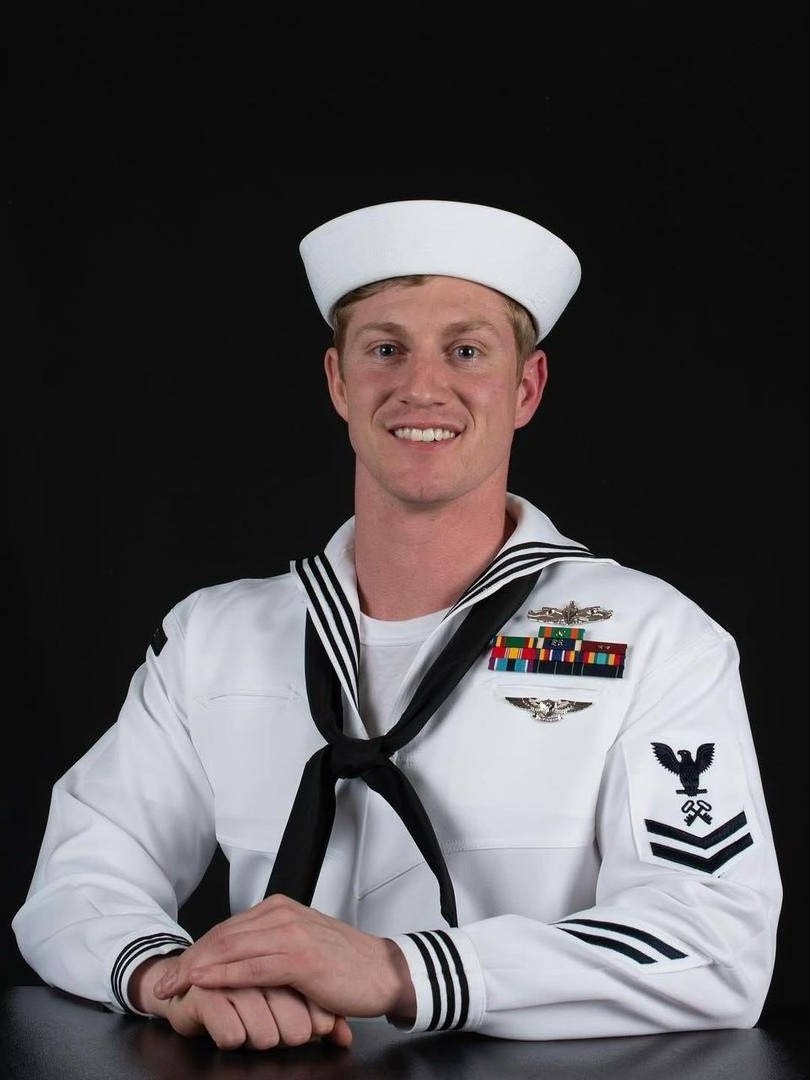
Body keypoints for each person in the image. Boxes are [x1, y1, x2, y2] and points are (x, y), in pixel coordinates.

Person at [12, 198, 782, 1051]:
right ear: (338, 381)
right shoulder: (214, 638)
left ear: (525, 388)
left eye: (465, 350)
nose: (421, 387)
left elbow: (718, 946)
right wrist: (172, 977)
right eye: (385, 349)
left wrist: (401, 971)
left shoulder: (656, 638)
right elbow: (80, 876)